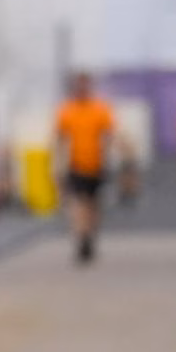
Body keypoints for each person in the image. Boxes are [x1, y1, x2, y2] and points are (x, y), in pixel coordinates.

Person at [54, 72, 115, 263]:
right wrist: (59, 165)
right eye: (78, 86)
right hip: (76, 164)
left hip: (96, 164)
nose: (82, 89)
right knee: (79, 202)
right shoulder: (67, 110)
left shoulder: (99, 109)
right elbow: (60, 139)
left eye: (85, 86)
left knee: (93, 204)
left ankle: (90, 235)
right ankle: (82, 237)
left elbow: (108, 135)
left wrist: (106, 155)